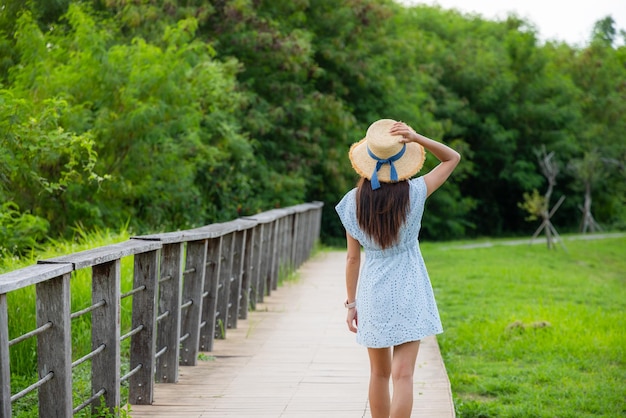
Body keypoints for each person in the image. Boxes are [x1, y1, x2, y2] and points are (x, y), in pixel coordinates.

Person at [335, 119, 460, 418]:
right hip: (409, 289)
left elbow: (353, 259)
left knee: (379, 374)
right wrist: (417, 137)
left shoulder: (351, 203)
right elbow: (452, 157)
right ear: (402, 161)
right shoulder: (415, 192)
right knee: (403, 376)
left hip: (373, 292)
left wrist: (352, 304)